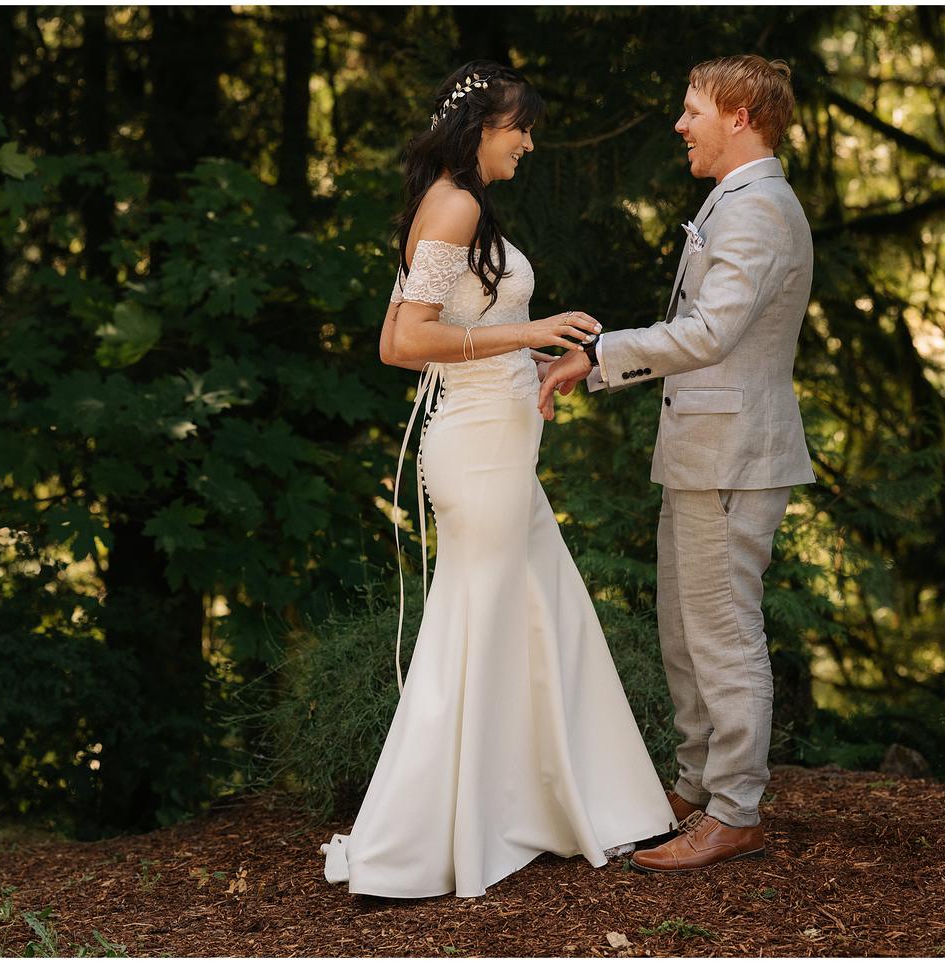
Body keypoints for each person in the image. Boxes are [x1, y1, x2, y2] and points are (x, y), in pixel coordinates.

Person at [318, 61, 677, 900]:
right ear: (484, 124)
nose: (528, 143)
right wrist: (532, 334)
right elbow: (402, 343)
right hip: (476, 446)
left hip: (499, 437)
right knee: (478, 621)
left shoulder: (451, 204)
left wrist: (529, 364)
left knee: (539, 608)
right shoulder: (457, 203)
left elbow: (423, 325)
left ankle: (547, 802)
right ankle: (422, 836)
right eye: (522, 127)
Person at [538, 54, 816, 873]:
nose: (679, 123)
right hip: (702, 451)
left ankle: (735, 809)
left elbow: (710, 334)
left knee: (723, 633)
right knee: (687, 632)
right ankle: (696, 786)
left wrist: (599, 355)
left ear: (738, 117)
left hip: (732, 456)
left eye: (692, 109)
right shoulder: (735, 197)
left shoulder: (758, 207)